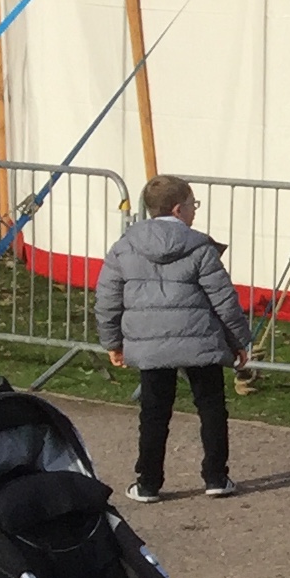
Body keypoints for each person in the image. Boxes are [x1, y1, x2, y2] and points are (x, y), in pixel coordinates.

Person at [97, 173, 252, 502]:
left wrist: (112, 342)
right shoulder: (199, 247)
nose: (195, 211)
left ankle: (148, 482)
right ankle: (216, 477)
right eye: (193, 204)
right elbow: (223, 299)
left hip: (150, 342)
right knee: (211, 408)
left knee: (153, 412)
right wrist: (239, 339)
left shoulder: (124, 247)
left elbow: (107, 298)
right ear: (179, 209)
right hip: (200, 339)